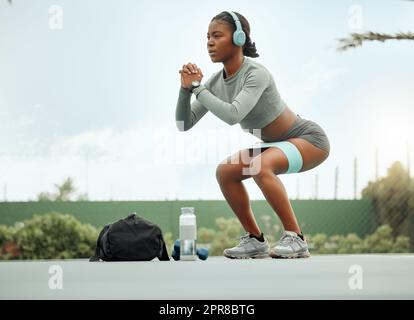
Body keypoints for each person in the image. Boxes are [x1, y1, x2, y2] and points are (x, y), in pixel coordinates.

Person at [175, 11, 330, 259]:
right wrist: (185, 91)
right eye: (207, 37)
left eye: (217, 36)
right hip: (274, 143)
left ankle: (296, 238)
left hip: (308, 139)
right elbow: (184, 123)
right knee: (225, 172)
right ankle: (256, 241)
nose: (210, 43)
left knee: (259, 165)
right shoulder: (216, 82)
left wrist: (198, 88)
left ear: (238, 38)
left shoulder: (256, 73)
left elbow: (232, 115)